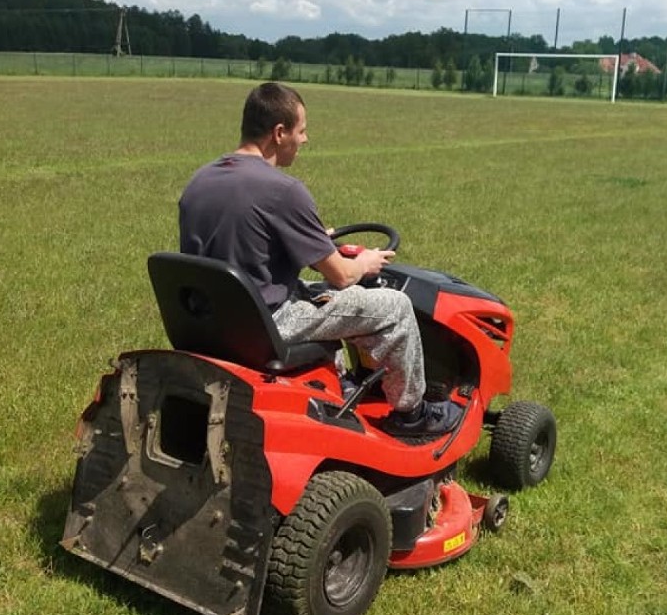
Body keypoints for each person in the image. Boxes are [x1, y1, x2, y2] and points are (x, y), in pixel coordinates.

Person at [178, 81, 461, 437]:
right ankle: (412, 414)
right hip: (267, 323)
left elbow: (237, 243)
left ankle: (340, 385)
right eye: (302, 130)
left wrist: (312, 240)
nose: (305, 139)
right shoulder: (283, 190)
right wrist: (367, 262)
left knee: (317, 294)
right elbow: (342, 276)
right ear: (279, 133)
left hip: (210, 320)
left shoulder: (199, 181)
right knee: (395, 307)